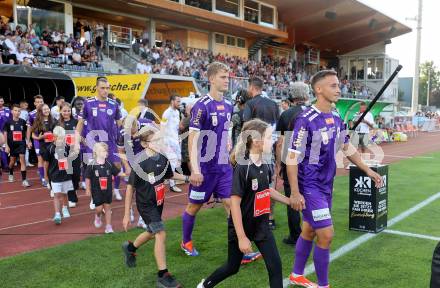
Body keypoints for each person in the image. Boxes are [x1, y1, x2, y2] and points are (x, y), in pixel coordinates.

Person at [286, 70, 383, 288]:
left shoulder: (337, 116)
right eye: (333, 85)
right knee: (327, 234)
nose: (338, 89)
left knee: (309, 230)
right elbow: (291, 157)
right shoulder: (305, 120)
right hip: (309, 185)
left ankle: (296, 274)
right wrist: (294, 191)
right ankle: (323, 285)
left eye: (338, 85)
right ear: (318, 89)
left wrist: (367, 169)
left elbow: (346, 146)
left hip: (326, 184)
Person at [197, 119, 290, 288]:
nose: (273, 140)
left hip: (261, 224)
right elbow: (234, 205)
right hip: (242, 226)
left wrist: (289, 201)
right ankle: (205, 285)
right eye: (269, 137)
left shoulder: (265, 163)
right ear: (256, 141)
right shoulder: (243, 167)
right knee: (232, 267)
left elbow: (266, 190)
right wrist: (241, 237)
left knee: (275, 267)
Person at [121, 125, 189, 288]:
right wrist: (126, 214)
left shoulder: (162, 158)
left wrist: (189, 178)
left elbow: (171, 175)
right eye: (156, 140)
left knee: (152, 232)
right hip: (145, 205)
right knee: (160, 233)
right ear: (145, 144)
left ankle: (130, 248)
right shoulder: (140, 161)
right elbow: (130, 188)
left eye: (161, 139)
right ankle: (163, 276)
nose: (160, 142)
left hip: (158, 203)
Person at [181, 62, 234, 256]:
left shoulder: (229, 105)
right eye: (222, 77)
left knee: (231, 204)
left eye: (227, 77)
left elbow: (227, 130)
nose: (226, 80)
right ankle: (185, 241)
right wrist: (195, 170)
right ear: (211, 79)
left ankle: (239, 248)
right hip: (204, 169)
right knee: (194, 207)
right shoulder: (201, 106)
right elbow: (192, 141)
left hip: (223, 167)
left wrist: (228, 144)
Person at [76, 77, 128, 202]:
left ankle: (115, 189)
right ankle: (96, 197)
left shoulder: (114, 104)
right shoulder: (88, 103)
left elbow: (120, 124)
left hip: (110, 142)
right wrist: (76, 141)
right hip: (93, 143)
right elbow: (80, 123)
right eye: (103, 88)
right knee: (94, 170)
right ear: (97, 88)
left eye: (107, 88)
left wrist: (125, 138)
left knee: (116, 166)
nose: (105, 90)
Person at [243, 77, 280, 229]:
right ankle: (269, 217)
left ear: (251, 87)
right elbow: (276, 129)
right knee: (269, 183)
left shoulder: (251, 103)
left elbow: (246, 129)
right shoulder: (274, 104)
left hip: (254, 150)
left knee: (251, 184)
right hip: (269, 148)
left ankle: (254, 216)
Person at [275, 82, 309, 246]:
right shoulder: (313, 113)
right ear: (306, 95)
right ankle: (313, 230)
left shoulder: (287, 114)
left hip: (292, 161)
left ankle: (296, 235)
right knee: (312, 196)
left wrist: (278, 164)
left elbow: (281, 142)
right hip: (311, 163)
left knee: (292, 198)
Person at [85, 142, 122, 234]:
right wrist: (88, 189)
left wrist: (127, 174)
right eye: (103, 151)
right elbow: (87, 178)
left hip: (108, 190)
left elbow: (117, 173)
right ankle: (97, 216)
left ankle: (108, 226)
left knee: (108, 208)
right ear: (97, 152)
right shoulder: (92, 165)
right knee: (99, 209)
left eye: (106, 151)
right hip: (96, 191)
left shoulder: (109, 163)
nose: (106, 153)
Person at [42, 126, 73, 224]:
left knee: (64, 194)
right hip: (54, 175)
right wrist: (46, 175)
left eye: (63, 138)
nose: (61, 140)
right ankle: (57, 214)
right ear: (54, 137)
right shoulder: (50, 148)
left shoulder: (67, 147)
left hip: (65, 175)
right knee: (56, 195)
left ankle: (65, 208)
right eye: (59, 138)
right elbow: (46, 163)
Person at [57, 103, 80, 208]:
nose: (66, 113)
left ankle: (74, 190)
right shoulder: (57, 124)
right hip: (63, 153)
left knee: (76, 175)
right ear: (60, 111)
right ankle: (72, 197)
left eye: (68, 111)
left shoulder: (76, 122)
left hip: (74, 153)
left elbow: (79, 136)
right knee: (68, 175)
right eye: (64, 111)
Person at [3, 104, 30, 186]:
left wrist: (28, 141)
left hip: (21, 143)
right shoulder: (8, 122)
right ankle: (11, 173)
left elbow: (27, 131)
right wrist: (6, 145)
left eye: (19, 111)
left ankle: (24, 180)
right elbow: (5, 134)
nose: (17, 112)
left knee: (22, 160)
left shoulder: (23, 121)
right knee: (12, 162)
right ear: (12, 111)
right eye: (15, 110)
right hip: (12, 144)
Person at [32, 103, 56, 192]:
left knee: (53, 164)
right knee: (46, 163)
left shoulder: (53, 120)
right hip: (44, 146)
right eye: (44, 109)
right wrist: (39, 138)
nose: (47, 111)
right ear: (41, 111)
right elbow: (33, 134)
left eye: (47, 109)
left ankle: (53, 182)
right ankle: (46, 179)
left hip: (53, 145)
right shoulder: (37, 122)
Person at [161, 94, 183, 193]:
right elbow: (163, 126)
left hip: (175, 140)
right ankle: (172, 184)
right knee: (173, 161)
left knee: (176, 160)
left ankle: (166, 179)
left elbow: (177, 127)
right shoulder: (167, 113)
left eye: (180, 101)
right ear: (172, 101)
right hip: (168, 141)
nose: (179, 103)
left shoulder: (177, 112)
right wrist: (164, 142)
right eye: (178, 101)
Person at [27, 95, 46, 186]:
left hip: (48, 140)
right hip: (37, 140)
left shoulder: (47, 112)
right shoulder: (31, 114)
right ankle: (43, 178)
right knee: (40, 159)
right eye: (37, 102)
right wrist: (28, 141)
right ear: (34, 103)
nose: (39, 103)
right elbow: (29, 129)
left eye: (41, 102)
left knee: (49, 160)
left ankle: (46, 175)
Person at [0, 96, 11, 171]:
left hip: (6, 131)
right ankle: (5, 165)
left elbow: (11, 119)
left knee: (5, 148)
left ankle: (6, 165)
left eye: (1, 101)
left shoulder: (7, 110)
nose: (0, 103)